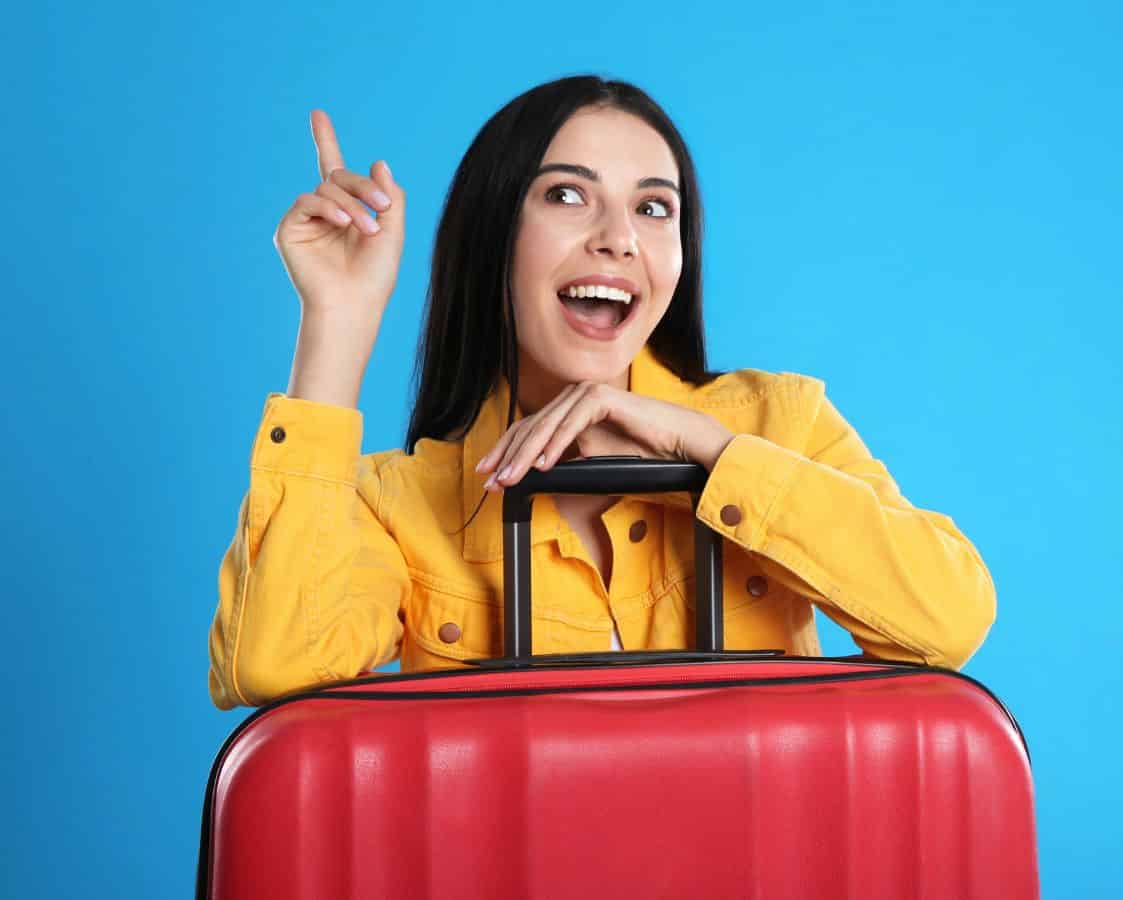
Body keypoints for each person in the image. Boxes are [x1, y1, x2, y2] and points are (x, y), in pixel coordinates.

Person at [207, 75, 996, 711]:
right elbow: (273, 667)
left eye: (655, 208)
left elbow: (947, 619)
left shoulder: (774, 422)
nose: (618, 237)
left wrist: (704, 452)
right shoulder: (402, 502)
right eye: (567, 195)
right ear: (493, 238)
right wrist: (336, 325)